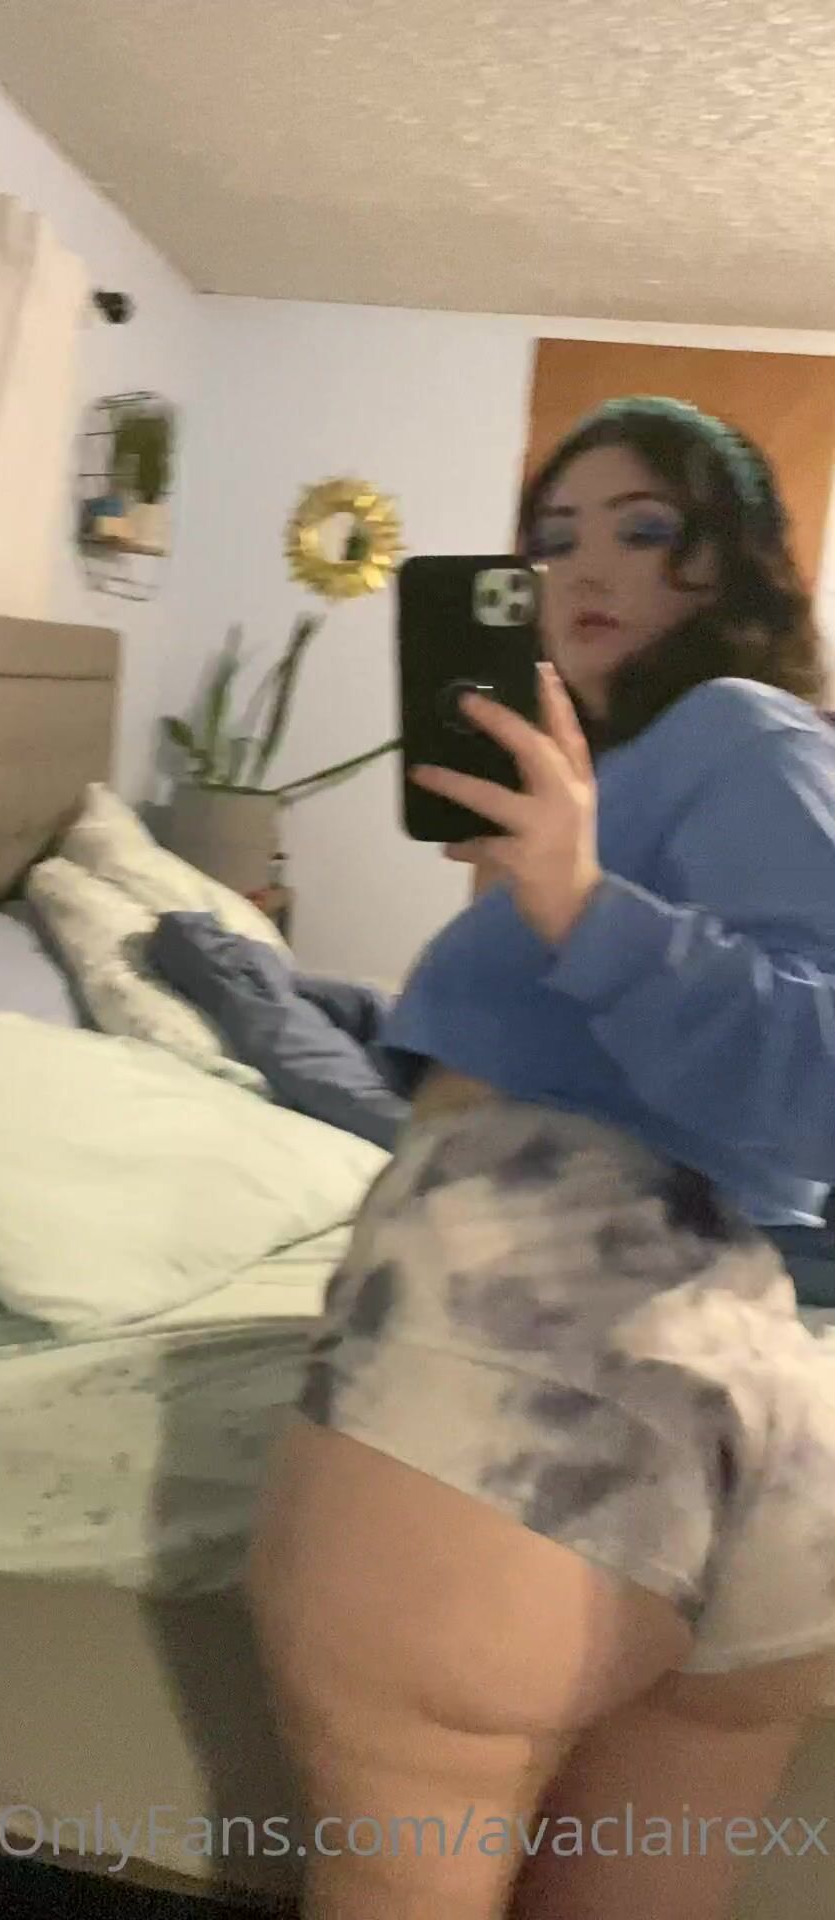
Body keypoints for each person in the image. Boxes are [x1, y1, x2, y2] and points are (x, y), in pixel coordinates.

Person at [246, 397, 835, 1920]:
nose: (586, 569)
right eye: (553, 538)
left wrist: (576, 896)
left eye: (648, 530)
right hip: (738, 1377)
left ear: (737, 566)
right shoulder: (620, 774)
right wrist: (556, 874)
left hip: (522, 1350)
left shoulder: (741, 731)